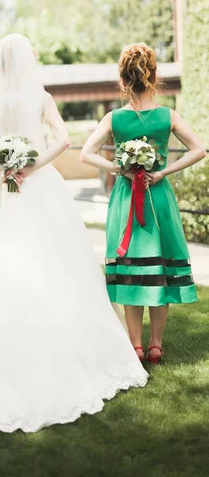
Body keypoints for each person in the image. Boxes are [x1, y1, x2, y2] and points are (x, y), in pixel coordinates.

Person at [0, 34, 148, 433]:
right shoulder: (40, 98)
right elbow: (63, 140)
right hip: (39, 185)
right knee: (54, 264)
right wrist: (31, 166)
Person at [81, 43, 206, 363]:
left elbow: (86, 154)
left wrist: (118, 168)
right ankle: (155, 344)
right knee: (159, 268)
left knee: (133, 270)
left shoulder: (114, 118)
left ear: (123, 80)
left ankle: (135, 343)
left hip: (126, 197)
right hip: (158, 197)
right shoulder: (168, 115)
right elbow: (198, 150)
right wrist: (163, 171)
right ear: (153, 76)